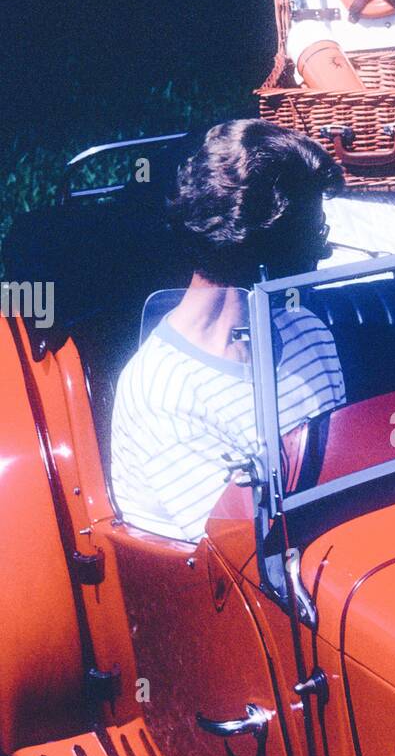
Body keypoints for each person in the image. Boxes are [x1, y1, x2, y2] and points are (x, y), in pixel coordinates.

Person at [111, 119, 345, 542]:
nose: (323, 251)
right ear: (269, 251)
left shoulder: (309, 333)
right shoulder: (163, 392)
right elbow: (241, 553)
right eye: (316, 234)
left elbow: (340, 478)